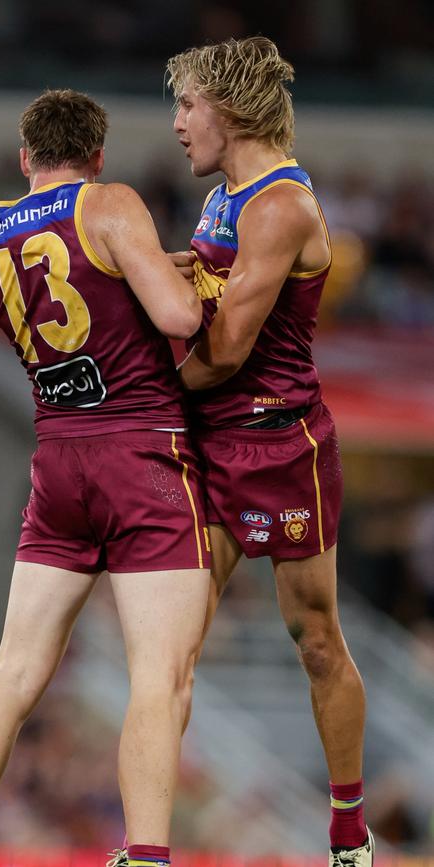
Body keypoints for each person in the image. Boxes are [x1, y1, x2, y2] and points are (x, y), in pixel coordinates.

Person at [0, 88, 211, 867]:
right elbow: (180, 319)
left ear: (24, 160)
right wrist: (180, 273)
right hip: (141, 454)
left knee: (13, 672)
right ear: (97, 156)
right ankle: (146, 854)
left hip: (57, 462)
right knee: (160, 674)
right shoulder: (111, 203)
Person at [166, 37, 373, 866]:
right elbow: (207, 294)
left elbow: (222, 351)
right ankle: (145, 840)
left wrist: (135, 392)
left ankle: (348, 836)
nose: (178, 124)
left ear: (233, 112)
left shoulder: (280, 204)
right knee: (170, 641)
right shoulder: (225, 195)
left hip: (281, 443)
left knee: (315, 636)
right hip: (212, 441)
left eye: (188, 106)